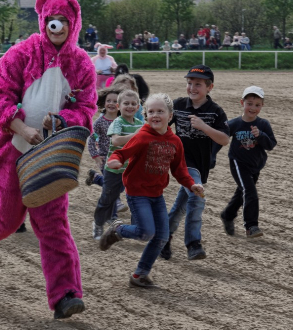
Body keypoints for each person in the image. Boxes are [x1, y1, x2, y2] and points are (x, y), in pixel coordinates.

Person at [0, 0, 97, 320]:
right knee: (6, 219)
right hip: (12, 149)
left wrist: (62, 120)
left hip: (51, 155)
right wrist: (21, 128)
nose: (56, 26)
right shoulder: (20, 54)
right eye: (51, 20)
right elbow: (0, 95)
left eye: (63, 20)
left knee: (53, 224)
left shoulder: (81, 64)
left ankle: (65, 294)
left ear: (73, 23)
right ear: (42, 20)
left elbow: (86, 107)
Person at [98, 93, 204, 288]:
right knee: (146, 232)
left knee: (162, 236)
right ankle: (118, 230)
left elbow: (179, 170)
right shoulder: (142, 136)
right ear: (145, 115)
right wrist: (115, 161)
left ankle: (140, 275)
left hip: (156, 194)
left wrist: (191, 185)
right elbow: (121, 153)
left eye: (160, 111)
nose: (155, 115)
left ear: (170, 115)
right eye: (151, 112)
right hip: (137, 192)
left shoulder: (175, 142)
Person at [162, 65, 230, 261]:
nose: (192, 88)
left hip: (201, 165)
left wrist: (204, 127)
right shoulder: (178, 105)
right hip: (181, 160)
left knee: (182, 204)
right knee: (196, 195)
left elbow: (224, 139)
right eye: (189, 83)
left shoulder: (215, 111)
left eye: (198, 84)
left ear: (210, 87)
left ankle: (162, 238)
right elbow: (160, 125)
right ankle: (193, 242)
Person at [220, 86, 277, 239]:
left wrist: (261, 135)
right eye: (249, 103)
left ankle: (227, 214)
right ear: (242, 103)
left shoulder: (263, 124)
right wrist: (210, 155)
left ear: (262, 106)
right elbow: (220, 139)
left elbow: (271, 145)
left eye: (257, 105)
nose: (253, 108)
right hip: (238, 163)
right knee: (250, 192)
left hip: (256, 165)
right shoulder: (234, 124)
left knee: (243, 191)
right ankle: (251, 226)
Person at [89, 89, 143, 238]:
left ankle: (137, 226)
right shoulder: (117, 122)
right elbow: (116, 140)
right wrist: (136, 135)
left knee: (135, 196)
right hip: (113, 169)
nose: (130, 106)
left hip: (131, 170)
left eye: (133, 104)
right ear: (120, 106)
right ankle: (98, 223)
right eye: (126, 103)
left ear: (138, 107)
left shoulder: (140, 124)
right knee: (108, 198)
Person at [85, 88, 120, 187]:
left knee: (119, 186)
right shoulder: (99, 122)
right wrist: (95, 156)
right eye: (108, 101)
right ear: (104, 103)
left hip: (120, 158)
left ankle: (96, 178)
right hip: (105, 158)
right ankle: (97, 179)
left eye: (115, 101)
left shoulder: (123, 121)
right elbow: (91, 139)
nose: (111, 103)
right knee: (111, 185)